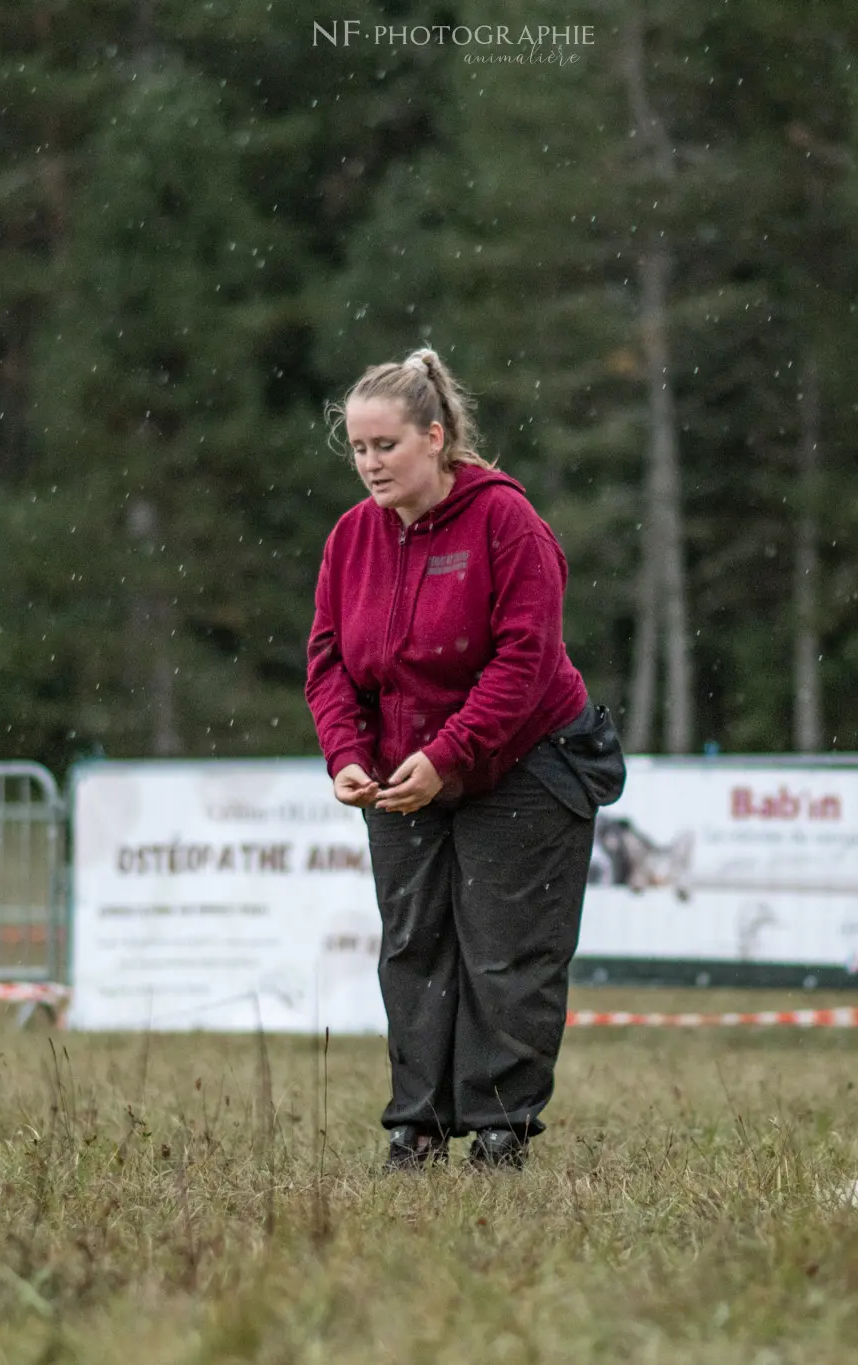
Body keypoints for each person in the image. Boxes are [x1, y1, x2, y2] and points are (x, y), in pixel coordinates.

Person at [306, 348, 621, 1172]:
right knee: (413, 944)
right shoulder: (350, 539)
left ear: (436, 438)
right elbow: (329, 661)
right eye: (360, 448)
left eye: (387, 446)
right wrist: (347, 752)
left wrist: (447, 756)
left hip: (529, 758)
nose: (370, 464)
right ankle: (416, 1124)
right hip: (404, 772)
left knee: (504, 947)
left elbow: (524, 661)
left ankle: (500, 1130)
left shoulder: (506, 522)